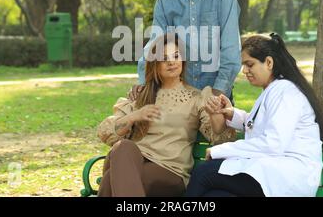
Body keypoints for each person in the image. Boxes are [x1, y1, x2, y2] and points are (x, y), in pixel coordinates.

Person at [185, 33, 323, 197]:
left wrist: (221, 150)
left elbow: (273, 144)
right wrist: (232, 114)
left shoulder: (285, 92)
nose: (244, 71)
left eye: (250, 64)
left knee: (204, 173)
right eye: (243, 65)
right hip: (272, 170)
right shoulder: (274, 89)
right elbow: (262, 123)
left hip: (289, 176)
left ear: (269, 62)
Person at [96, 34, 236, 197]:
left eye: (176, 56)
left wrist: (216, 115)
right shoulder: (141, 96)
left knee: (109, 179)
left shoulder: (197, 98)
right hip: (133, 163)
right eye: (164, 58)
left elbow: (221, 139)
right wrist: (134, 116)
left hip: (170, 172)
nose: (171, 62)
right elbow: (105, 133)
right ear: (154, 65)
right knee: (123, 147)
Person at [130, 0, 241, 104]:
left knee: (215, 128)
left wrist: (219, 92)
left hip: (215, 89)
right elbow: (155, 43)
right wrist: (143, 81)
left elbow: (230, 46)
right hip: (180, 93)